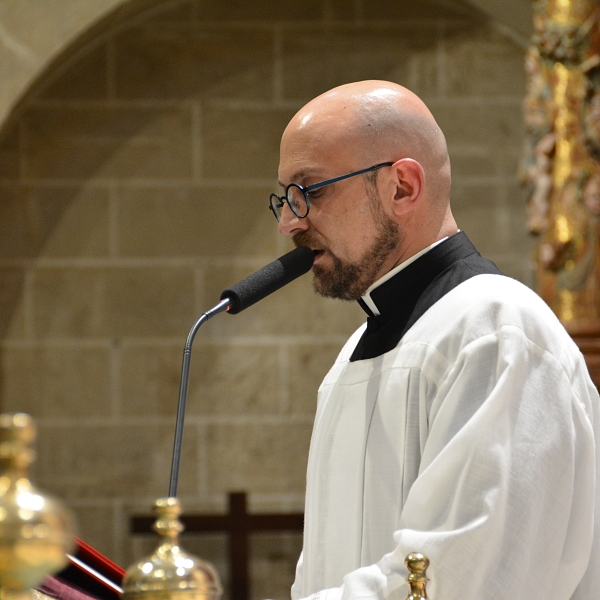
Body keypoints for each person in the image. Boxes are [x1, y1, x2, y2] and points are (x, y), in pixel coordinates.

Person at [268, 80, 600, 600]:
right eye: (285, 198)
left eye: (310, 191)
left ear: (402, 186)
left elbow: (463, 578)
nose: (290, 222)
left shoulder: (495, 330)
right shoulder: (351, 356)